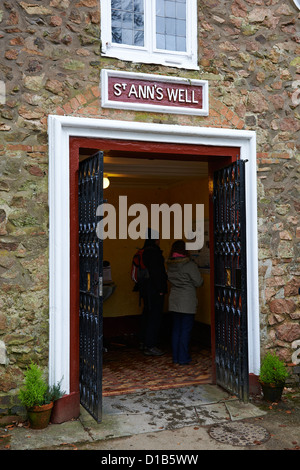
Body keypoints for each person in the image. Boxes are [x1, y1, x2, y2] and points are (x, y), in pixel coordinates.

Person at [167, 240, 203, 365]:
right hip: (187, 301)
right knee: (186, 330)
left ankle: (176, 357)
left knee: (176, 329)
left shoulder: (170, 264)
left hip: (174, 299)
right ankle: (183, 357)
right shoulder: (189, 265)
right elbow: (198, 282)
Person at [139, 228, 168, 356]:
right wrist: (161, 289)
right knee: (154, 317)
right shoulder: (155, 253)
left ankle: (143, 342)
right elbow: (157, 274)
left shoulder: (143, 251)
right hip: (155, 291)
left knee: (147, 315)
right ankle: (151, 345)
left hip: (145, 289)